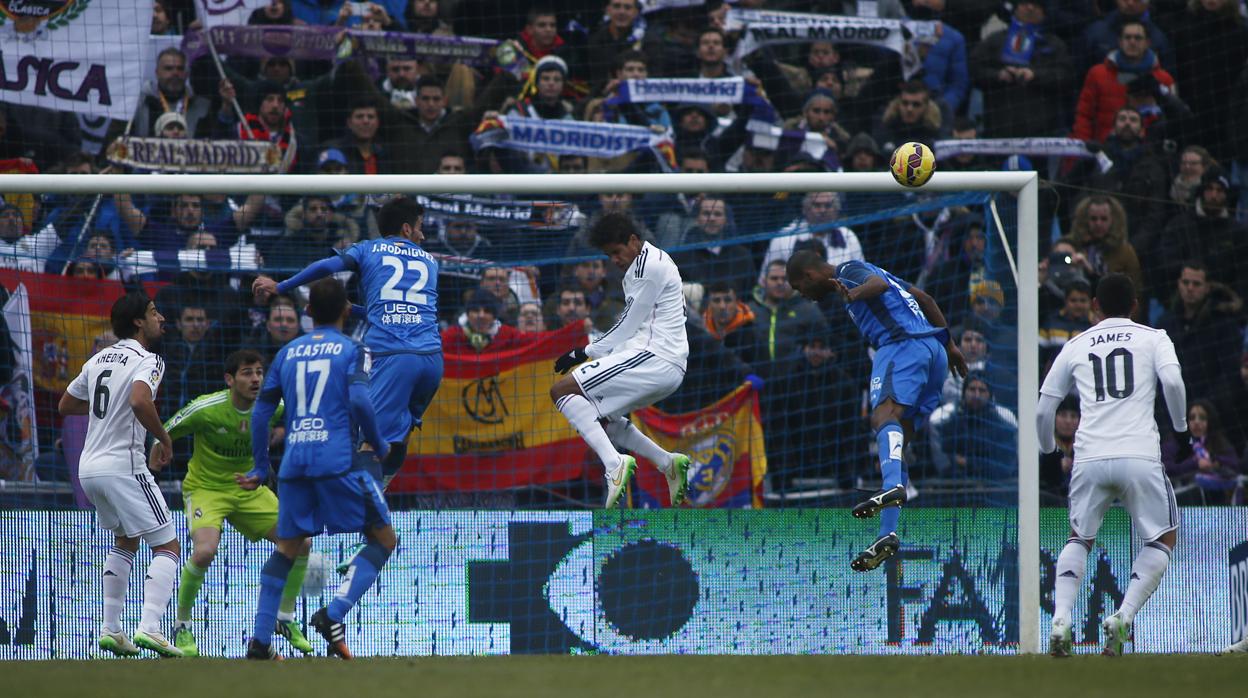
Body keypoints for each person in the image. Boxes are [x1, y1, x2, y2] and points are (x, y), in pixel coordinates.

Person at [239, 278, 395, 660]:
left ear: (307, 312)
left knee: (287, 548)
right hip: (338, 461)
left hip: (294, 463)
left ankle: (260, 642)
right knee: (384, 539)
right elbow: (359, 399)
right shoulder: (353, 350)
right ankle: (333, 613)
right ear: (346, 310)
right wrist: (379, 440)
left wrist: (262, 465)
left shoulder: (287, 353)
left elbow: (261, 412)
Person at [786, 250, 968, 572]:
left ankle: (891, 488)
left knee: (882, 417)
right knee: (899, 441)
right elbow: (924, 298)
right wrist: (951, 345)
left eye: (800, 288)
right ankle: (887, 533)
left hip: (901, 346)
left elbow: (878, 284)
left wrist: (854, 292)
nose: (804, 296)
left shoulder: (848, 270)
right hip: (935, 353)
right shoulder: (876, 268)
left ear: (810, 276)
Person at [1037, 273, 1188, 658]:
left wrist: (1050, 452)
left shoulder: (1076, 343)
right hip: (1139, 455)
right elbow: (1172, 383)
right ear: (1135, 305)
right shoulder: (1154, 337)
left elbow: (1044, 407)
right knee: (1161, 539)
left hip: (1089, 457)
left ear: (1094, 307)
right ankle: (1122, 616)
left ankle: (1061, 620)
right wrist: (1182, 432)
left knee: (1079, 538)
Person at [255, 197, 442, 481]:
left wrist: (281, 285)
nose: (422, 234)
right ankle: (379, 505)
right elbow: (392, 308)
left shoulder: (368, 249)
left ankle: (368, 515)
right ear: (406, 229)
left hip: (392, 356)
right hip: (432, 359)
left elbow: (326, 267)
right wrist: (348, 308)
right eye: (420, 228)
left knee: (369, 441)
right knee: (400, 433)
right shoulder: (430, 261)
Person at [159, 349, 313, 657]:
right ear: (230, 380)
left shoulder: (273, 407)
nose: (255, 379)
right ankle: (181, 626)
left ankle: (284, 618)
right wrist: (157, 446)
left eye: (259, 372)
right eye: (247, 373)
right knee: (205, 551)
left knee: (303, 542)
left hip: (249, 489)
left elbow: (301, 419)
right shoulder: (206, 409)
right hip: (207, 489)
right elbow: (167, 428)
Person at [57, 292, 183, 657]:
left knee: (126, 540)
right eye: (154, 312)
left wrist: (107, 407)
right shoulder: (149, 359)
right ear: (139, 322)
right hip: (123, 465)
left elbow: (66, 405)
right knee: (168, 545)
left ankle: (111, 628)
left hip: (89, 468)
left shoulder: (98, 358)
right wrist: (163, 436)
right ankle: (151, 627)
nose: (161, 318)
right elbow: (140, 400)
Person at [549, 213, 692, 509]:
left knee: (561, 391)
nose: (613, 259)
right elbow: (639, 327)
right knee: (601, 418)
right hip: (665, 363)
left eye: (616, 251)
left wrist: (584, 352)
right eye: (608, 255)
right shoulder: (653, 262)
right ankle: (667, 463)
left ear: (633, 241)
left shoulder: (647, 267)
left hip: (654, 359)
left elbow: (628, 324)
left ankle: (614, 464)